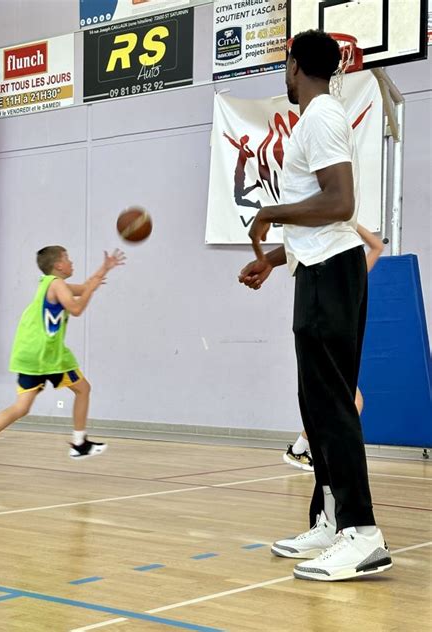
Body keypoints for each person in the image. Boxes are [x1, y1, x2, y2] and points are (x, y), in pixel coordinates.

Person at [239, 30, 392, 581]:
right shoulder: (316, 120)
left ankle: (362, 533)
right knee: (316, 406)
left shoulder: (322, 115)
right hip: (319, 270)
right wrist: (275, 258)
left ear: (294, 64)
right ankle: (330, 520)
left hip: (332, 275)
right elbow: (328, 219)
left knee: (330, 406)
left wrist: (269, 213)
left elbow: (340, 203)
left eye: (284, 63)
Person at [0, 246, 125, 471]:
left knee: (22, 407)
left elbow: (86, 287)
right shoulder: (56, 284)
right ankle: (79, 443)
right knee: (83, 389)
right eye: (67, 258)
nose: (71, 262)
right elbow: (77, 308)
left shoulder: (51, 284)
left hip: (30, 353)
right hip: (47, 355)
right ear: (58, 265)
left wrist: (104, 269)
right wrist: (91, 288)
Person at [284, 224, 385, 472]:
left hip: (339, 348)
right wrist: (347, 222)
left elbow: (378, 246)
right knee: (348, 402)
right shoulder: (321, 276)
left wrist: (351, 223)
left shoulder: (356, 272)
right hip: (321, 343)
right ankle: (310, 453)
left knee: (345, 403)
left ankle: (303, 450)